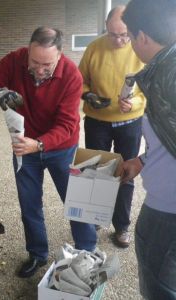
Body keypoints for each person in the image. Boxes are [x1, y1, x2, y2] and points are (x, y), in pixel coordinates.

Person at [0, 26, 97, 278]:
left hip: (61, 147)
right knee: (29, 205)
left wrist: (38, 144)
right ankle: (37, 254)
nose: (39, 70)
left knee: (77, 203)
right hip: (24, 147)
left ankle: (86, 252)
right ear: (28, 51)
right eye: (34, 62)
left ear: (60, 55)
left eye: (46, 64)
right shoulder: (15, 60)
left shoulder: (72, 75)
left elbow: (67, 125)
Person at [120, 0, 176, 299]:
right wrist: (143, 160)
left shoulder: (168, 76)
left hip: (169, 211)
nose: (129, 44)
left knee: (160, 288)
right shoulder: (167, 69)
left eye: (129, 36)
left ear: (142, 37)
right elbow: (169, 137)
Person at [78, 6, 146, 248]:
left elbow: (149, 90)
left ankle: (122, 226)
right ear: (106, 28)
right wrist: (88, 96)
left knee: (126, 174)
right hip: (97, 122)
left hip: (130, 122)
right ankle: (94, 221)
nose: (119, 40)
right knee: (96, 171)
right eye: (113, 34)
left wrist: (135, 101)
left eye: (124, 34)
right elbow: (80, 80)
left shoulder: (140, 47)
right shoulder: (94, 48)